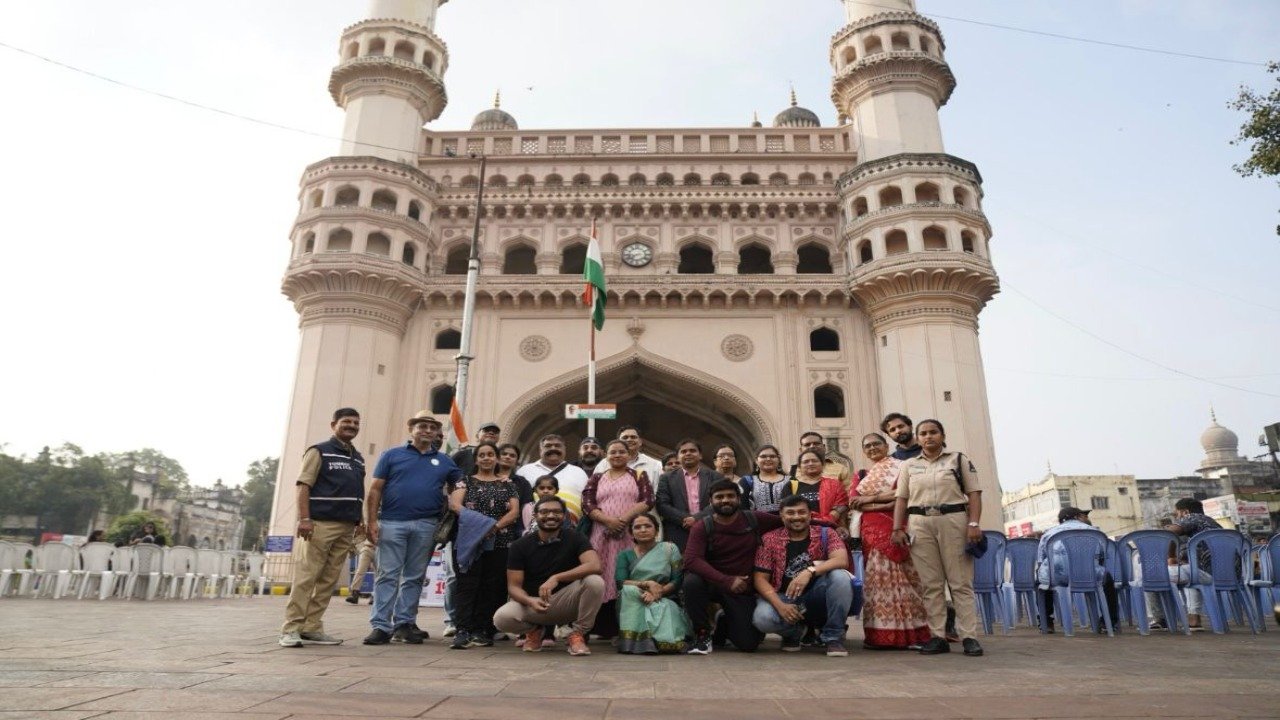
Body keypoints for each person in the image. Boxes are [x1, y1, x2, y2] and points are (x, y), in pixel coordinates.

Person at [363, 411, 462, 646]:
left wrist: (455, 502)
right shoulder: (392, 455)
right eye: (422, 426)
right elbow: (375, 489)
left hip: (427, 524)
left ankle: (404, 623)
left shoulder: (445, 461)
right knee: (387, 575)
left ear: (438, 432)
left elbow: (459, 483)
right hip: (392, 521)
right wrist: (372, 521)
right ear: (412, 429)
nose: (427, 430)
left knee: (414, 577)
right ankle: (380, 625)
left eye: (432, 427)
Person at [891, 418, 984, 657]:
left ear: (942, 435)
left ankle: (969, 636)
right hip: (919, 524)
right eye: (923, 433)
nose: (928, 437)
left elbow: (973, 494)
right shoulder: (909, 465)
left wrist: (974, 523)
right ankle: (937, 636)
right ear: (918, 437)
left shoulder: (958, 460)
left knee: (960, 582)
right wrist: (897, 528)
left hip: (953, 520)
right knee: (931, 584)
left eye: (933, 432)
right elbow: (901, 499)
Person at [280, 407, 365, 648]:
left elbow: (357, 490)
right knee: (307, 577)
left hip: (346, 525)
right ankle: (291, 628)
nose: (352, 426)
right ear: (333, 424)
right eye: (346, 422)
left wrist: (360, 521)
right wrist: (304, 518)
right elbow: (303, 485)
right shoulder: (319, 451)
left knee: (328, 581)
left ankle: (312, 627)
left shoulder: (357, 457)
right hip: (320, 523)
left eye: (356, 423)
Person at [683, 479, 786, 654]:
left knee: (748, 644)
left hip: (742, 589)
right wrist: (726, 580)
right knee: (691, 582)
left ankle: (724, 620)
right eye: (719, 497)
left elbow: (789, 520)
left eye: (730, 496)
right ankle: (702, 635)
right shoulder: (702, 526)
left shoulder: (754, 518)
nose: (725, 500)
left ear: (739, 499)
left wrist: (833, 527)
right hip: (714, 583)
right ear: (711, 501)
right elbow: (691, 560)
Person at [494, 496, 604, 656]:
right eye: (545, 512)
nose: (551, 516)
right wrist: (529, 600)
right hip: (534, 604)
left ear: (564, 515)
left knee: (595, 581)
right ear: (535, 515)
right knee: (501, 619)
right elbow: (513, 587)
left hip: (567, 601)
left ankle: (577, 634)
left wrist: (557, 578)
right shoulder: (520, 546)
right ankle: (534, 631)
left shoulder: (576, 537)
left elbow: (595, 565)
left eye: (556, 512)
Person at [853, 433, 931, 649]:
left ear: (887, 446)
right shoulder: (862, 475)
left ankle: (914, 635)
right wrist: (884, 502)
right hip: (872, 532)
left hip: (899, 528)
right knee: (878, 582)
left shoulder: (903, 467)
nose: (872, 448)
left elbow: (907, 494)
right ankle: (880, 637)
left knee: (907, 581)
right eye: (867, 446)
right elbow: (854, 502)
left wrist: (872, 500)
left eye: (876, 444)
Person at [751, 495, 853, 656]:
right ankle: (796, 632)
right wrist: (780, 605)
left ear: (810, 515)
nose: (797, 517)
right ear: (782, 516)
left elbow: (841, 560)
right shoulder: (769, 539)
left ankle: (833, 637)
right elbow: (759, 579)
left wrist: (809, 572)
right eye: (790, 513)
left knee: (840, 577)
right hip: (784, 596)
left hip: (816, 594)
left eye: (801, 512)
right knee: (762, 619)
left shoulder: (826, 533)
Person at [448, 442, 520, 649]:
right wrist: (482, 525)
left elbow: (514, 512)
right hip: (470, 540)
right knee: (467, 585)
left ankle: (482, 629)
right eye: (482, 455)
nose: (486, 458)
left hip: (500, 540)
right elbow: (455, 505)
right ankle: (462, 629)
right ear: (476, 459)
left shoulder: (508, 484)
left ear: (496, 458)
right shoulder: (465, 482)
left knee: (491, 585)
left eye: (490, 454)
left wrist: (493, 527)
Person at [581, 439, 655, 638]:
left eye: (621, 452)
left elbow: (648, 500)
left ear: (629, 455)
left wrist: (621, 521)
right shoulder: (597, 477)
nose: (617, 455)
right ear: (606, 454)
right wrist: (607, 521)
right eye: (613, 452)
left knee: (625, 575)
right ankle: (595, 627)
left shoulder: (639, 475)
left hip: (628, 534)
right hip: (600, 535)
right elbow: (587, 503)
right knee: (600, 574)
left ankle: (623, 628)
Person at [1036, 507, 1118, 633]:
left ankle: (1046, 622)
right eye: (1084, 516)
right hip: (1089, 575)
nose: (1087, 518)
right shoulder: (1095, 532)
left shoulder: (1048, 534)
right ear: (1077, 516)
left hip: (1058, 576)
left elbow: (1041, 560)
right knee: (1107, 578)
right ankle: (1109, 622)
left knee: (1042, 578)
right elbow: (1102, 557)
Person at [615, 513, 688, 654]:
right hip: (634, 597)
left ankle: (659, 641)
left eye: (648, 526)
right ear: (632, 533)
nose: (643, 530)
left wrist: (657, 593)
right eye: (637, 527)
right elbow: (620, 582)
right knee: (629, 590)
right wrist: (647, 584)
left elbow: (678, 580)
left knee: (664, 606)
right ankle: (635, 642)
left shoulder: (669, 549)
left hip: (665, 596)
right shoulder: (624, 555)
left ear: (657, 530)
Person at [1149, 498, 1222, 631]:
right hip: (1227, 574)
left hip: (1205, 572)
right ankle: (1194, 620)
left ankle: (1160, 619)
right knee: (1189, 573)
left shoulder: (1194, 517)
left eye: (1177, 514)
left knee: (1151, 576)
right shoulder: (1212, 523)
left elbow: (1169, 533)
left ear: (1185, 512)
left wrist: (1171, 557)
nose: (1177, 518)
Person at [656, 439, 723, 551]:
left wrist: (697, 519)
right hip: (677, 533)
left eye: (692, 450)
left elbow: (719, 501)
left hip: (710, 529)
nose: (688, 453)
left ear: (700, 455)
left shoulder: (715, 477)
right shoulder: (666, 478)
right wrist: (684, 519)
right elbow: (662, 505)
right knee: (679, 567)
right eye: (683, 451)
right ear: (678, 457)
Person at [516, 434, 590, 528]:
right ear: (540, 450)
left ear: (564, 449)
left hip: (570, 532)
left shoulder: (579, 472)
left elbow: (587, 502)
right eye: (548, 446)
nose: (553, 448)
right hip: (533, 531)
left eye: (558, 445)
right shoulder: (524, 471)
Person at [786, 449, 849, 530]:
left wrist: (825, 520)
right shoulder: (791, 485)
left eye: (814, 461)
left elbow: (842, 505)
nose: (810, 463)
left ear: (822, 465)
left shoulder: (835, 484)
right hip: (800, 531)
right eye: (806, 462)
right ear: (799, 467)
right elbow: (786, 510)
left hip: (830, 529)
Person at [594, 425, 664, 486]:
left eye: (633, 437)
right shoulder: (604, 464)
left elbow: (657, 492)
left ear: (640, 442)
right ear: (618, 442)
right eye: (625, 437)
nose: (629, 439)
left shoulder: (654, 465)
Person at [747, 445, 789, 513]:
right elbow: (744, 508)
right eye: (763, 456)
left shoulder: (791, 480)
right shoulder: (747, 481)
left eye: (772, 456)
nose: (768, 459)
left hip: (787, 521)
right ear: (756, 461)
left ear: (778, 460)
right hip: (757, 521)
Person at [345, 527, 375, 604]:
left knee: (379, 573)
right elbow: (356, 538)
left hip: (380, 549)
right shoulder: (363, 522)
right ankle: (354, 593)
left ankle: (375, 596)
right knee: (360, 571)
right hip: (367, 547)